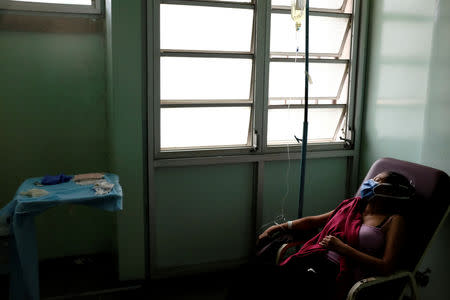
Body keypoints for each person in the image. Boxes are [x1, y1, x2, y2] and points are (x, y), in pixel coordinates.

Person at [227, 171, 415, 300]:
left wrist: (343, 249)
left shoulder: (394, 220)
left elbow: (386, 267)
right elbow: (314, 221)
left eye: (377, 180)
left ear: (390, 191)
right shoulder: (353, 206)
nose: (370, 182)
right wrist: (279, 228)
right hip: (316, 263)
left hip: (341, 278)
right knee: (248, 273)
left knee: (267, 284)